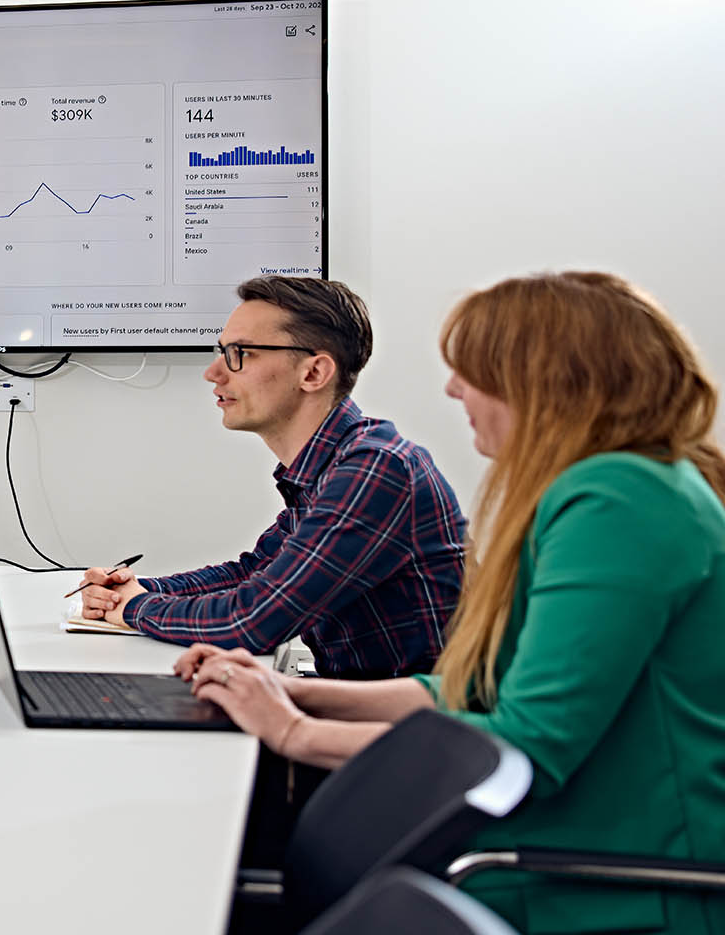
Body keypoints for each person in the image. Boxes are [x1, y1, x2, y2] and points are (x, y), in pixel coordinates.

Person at [181, 272, 725, 932]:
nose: (452, 389)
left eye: (473, 371)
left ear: (551, 379)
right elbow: (474, 690)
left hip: (597, 880)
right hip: (537, 850)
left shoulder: (619, 501)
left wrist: (294, 733)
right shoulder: (612, 487)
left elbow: (527, 742)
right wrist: (301, 695)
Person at [76, 276, 466, 681]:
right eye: (221, 351)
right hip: (368, 706)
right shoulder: (331, 467)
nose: (213, 372)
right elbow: (253, 572)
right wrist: (138, 588)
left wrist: (134, 608)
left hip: (412, 728)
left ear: (314, 373)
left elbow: (253, 621)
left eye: (239, 353)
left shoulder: (376, 468)